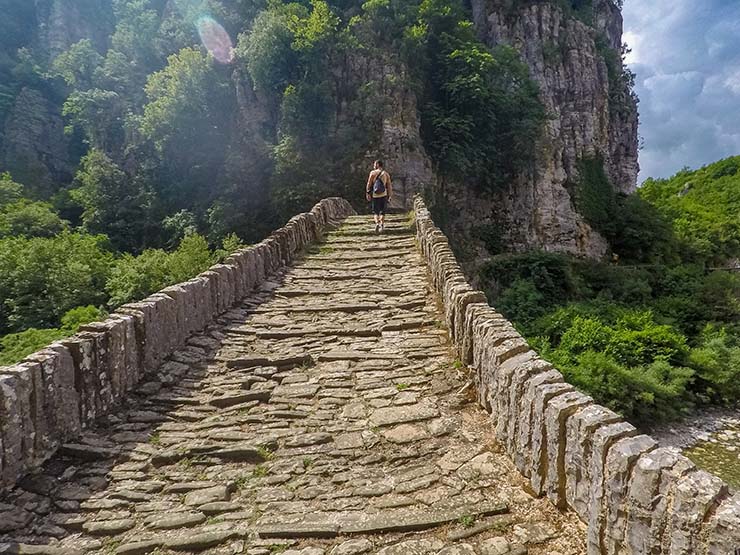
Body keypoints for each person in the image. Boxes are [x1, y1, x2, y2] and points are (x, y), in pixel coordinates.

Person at [366, 159, 392, 233]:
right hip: (384, 195)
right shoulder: (386, 174)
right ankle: (382, 224)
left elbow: (369, 184)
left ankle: (377, 223)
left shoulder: (372, 173)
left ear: (377, 164)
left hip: (375, 195)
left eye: (374, 164)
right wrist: (390, 196)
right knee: (382, 212)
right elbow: (389, 186)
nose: (373, 166)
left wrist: (368, 193)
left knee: (375, 212)